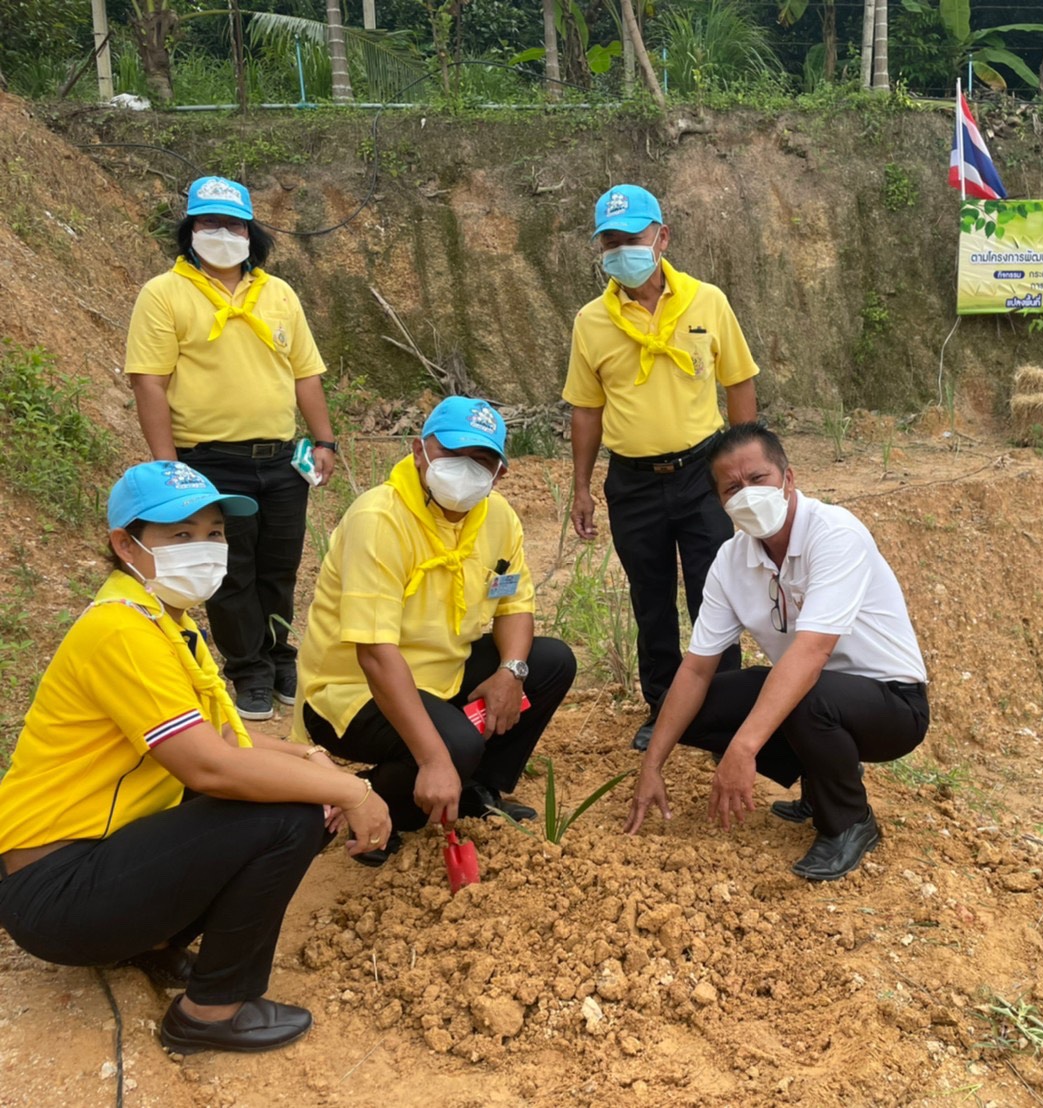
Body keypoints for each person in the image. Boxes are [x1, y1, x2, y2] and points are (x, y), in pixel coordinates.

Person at [0, 461, 392, 1055]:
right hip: (56, 892)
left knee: (290, 788)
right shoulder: (122, 632)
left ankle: (151, 942)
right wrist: (349, 792)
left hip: (85, 869)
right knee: (287, 815)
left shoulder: (163, 621)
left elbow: (226, 736)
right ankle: (211, 1011)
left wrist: (313, 760)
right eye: (179, 535)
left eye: (213, 533)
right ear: (125, 544)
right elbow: (209, 767)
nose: (204, 549)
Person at [623, 424, 931, 881]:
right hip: (814, 693)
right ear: (720, 502)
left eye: (758, 479)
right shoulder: (731, 561)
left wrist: (744, 749)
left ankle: (848, 821)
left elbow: (811, 652)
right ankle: (817, 778)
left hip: (892, 703)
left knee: (803, 693)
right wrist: (652, 766)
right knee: (693, 707)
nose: (746, 494)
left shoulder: (835, 534)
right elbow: (695, 669)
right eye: (731, 487)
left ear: (788, 478)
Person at [294, 397, 577, 864]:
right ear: (418, 451)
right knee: (452, 744)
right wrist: (432, 758)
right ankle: (377, 808)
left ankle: (475, 789)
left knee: (550, 663)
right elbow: (374, 654)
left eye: (482, 461)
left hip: (443, 672)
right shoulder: (379, 519)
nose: (465, 469)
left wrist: (511, 671)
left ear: (499, 474)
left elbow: (515, 606)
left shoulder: (499, 518)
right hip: (354, 689)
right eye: (453, 454)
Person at [125, 175, 339, 723]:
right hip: (210, 459)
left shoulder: (279, 293)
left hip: (282, 459)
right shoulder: (164, 294)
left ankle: (280, 655)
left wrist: (324, 440)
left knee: (280, 566)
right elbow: (149, 381)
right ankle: (248, 670)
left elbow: (306, 375)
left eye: (233, 224)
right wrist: (167, 465)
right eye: (209, 223)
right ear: (190, 230)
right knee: (228, 571)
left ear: (251, 232)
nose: (222, 234)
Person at [563, 184, 759, 751]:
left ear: (662, 237)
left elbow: (739, 382)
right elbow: (586, 407)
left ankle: (719, 710)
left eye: (631, 240)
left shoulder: (708, 301)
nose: (620, 251)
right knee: (649, 599)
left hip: (702, 475)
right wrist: (581, 486)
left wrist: (741, 468)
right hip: (633, 482)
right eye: (610, 243)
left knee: (713, 594)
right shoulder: (591, 322)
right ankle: (661, 705)